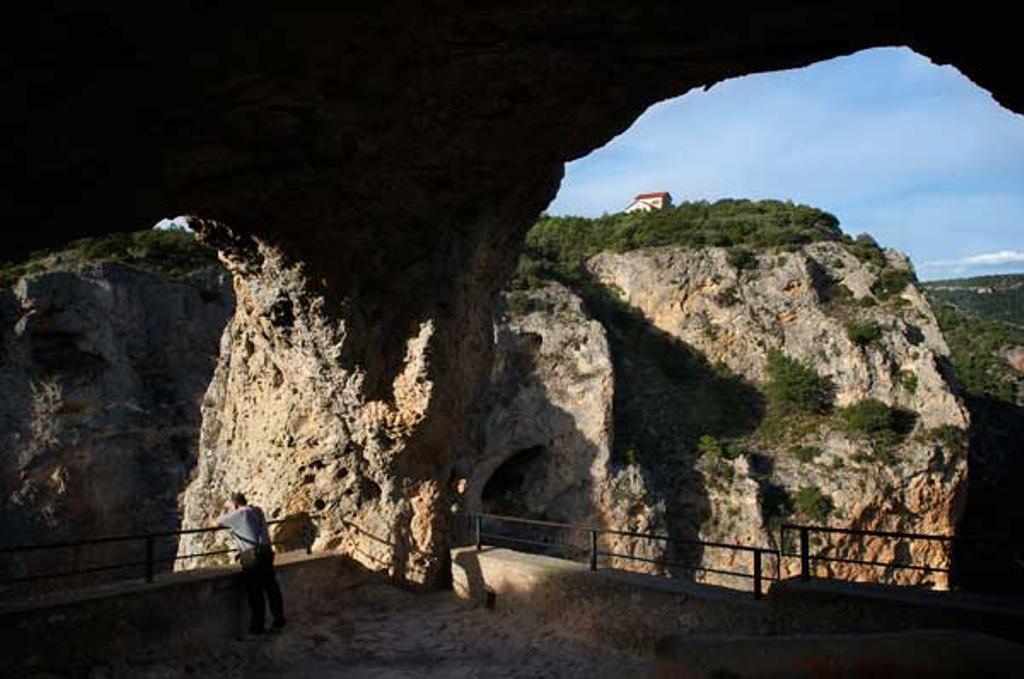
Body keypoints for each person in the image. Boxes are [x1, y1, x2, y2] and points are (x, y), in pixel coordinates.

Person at [217, 492, 286, 635]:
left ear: (235, 504)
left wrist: (227, 511)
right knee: (271, 587)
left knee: (255, 592)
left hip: (251, 555)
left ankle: (257, 628)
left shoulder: (238, 514)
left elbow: (215, 522)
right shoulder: (257, 510)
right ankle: (279, 621)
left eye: (230, 506)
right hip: (266, 551)